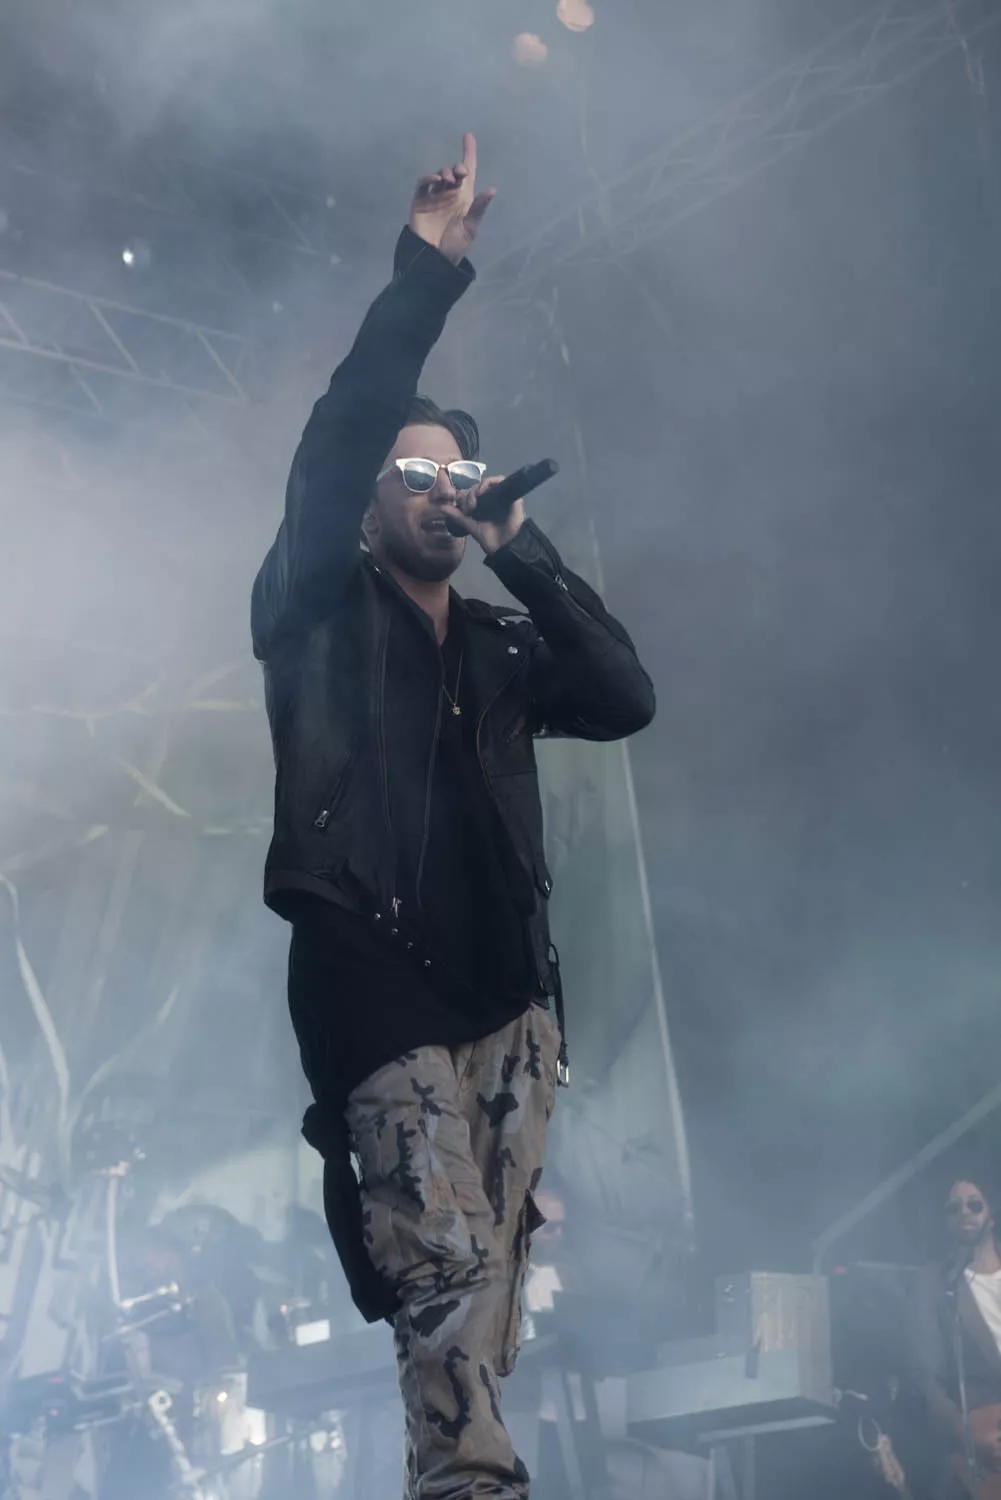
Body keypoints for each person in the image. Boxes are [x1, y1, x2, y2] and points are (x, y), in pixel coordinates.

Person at [250, 134, 655, 1499]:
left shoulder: (496, 647)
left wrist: (516, 545)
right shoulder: (311, 608)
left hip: (506, 1002)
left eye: (453, 478)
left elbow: (624, 694)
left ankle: (457, 1470)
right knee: (442, 1263)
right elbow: (339, 432)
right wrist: (423, 272)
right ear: (368, 506)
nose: (437, 494)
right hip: (370, 966)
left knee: (483, 1301)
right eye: (412, 478)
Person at [912, 1175, 1001, 1499]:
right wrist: (966, 1434)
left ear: (991, 1216)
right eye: (954, 1207)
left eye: (974, 1205)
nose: (964, 1212)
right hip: (982, 1450)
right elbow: (926, 1377)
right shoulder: (934, 1282)